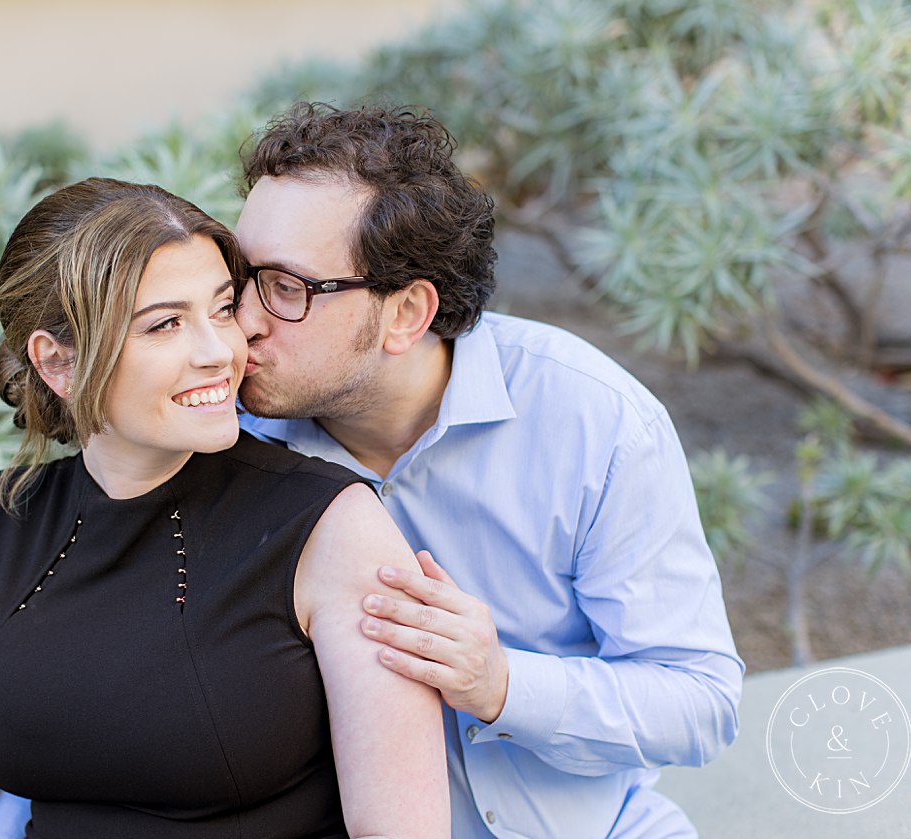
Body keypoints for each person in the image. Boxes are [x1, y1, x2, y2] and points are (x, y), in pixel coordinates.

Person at [229, 103, 744, 838]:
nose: (243, 318)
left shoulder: (593, 422)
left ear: (407, 313)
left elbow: (700, 701)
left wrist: (500, 681)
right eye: (238, 274)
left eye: (286, 287)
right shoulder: (222, 439)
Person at [0, 177, 449, 839]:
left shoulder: (331, 523)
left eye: (223, 308)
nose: (220, 352)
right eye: (166, 324)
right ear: (57, 362)